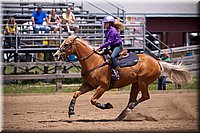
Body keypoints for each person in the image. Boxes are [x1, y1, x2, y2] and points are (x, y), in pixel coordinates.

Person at [96, 16, 124, 80]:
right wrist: (103, 48)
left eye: (106, 23)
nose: (104, 24)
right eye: (104, 23)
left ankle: (116, 70)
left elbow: (109, 41)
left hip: (117, 46)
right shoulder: (107, 31)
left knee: (113, 57)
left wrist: (100, 47)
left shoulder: (112, 30)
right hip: (112, 46)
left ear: (110, 23)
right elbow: (107, 41)